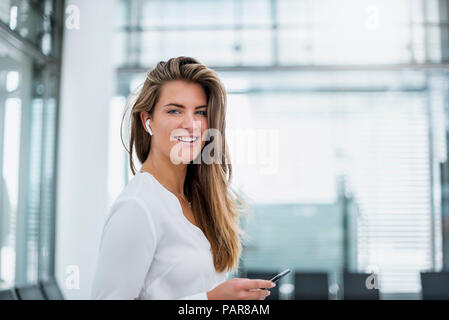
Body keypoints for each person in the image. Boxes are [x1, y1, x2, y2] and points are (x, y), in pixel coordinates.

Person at [91, 56, 275, 299]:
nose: (191, 124)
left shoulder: (197, 198)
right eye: (175, 110)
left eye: (200, 112)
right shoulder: (137, 208)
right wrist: (209, 301)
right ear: (148, 121)